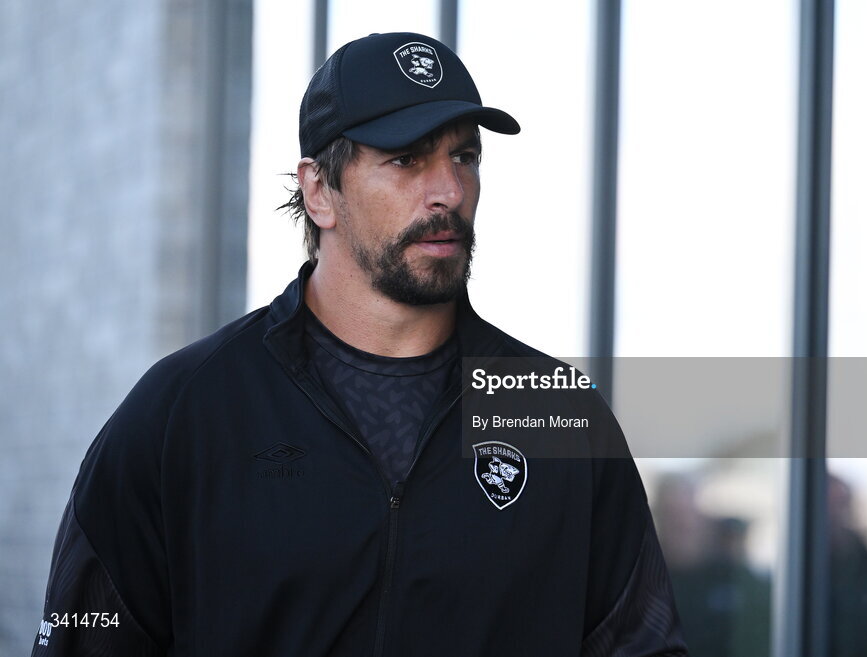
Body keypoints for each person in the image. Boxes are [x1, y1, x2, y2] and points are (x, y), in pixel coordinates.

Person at [32, 32, 687, 656]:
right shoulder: (183, 413)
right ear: (320, 190)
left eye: (464, 156)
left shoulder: (556, 417)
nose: (449, 191)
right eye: (407, 159)